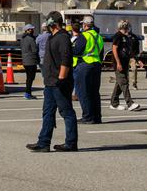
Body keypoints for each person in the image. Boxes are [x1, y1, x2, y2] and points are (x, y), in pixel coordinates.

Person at [26, 11, 78, 152]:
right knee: (47, 112)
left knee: (66, 112)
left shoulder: (63, 38)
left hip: (59, 83)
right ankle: (43, 143)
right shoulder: (52, 37)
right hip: (50, 83)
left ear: (53, 23)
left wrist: (61, 78)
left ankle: (71, 143)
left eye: (48, 22)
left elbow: (66, 59)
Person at [109, 20, 141, 111]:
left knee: (119, 83)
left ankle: (114, 103)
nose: (128, 29)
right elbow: (114, 49)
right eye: (127, 27)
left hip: (125, 63)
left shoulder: (126, 37)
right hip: (119, 64)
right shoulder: (118, 36)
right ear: (124, 27)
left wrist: (138, 60)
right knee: (123, 82)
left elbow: (129, 51)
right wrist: (118, 62)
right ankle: (130, 103)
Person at [78, 16, 103, 123]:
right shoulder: (98, 36)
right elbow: (101, 53)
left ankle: (87, 117)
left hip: (86, 64)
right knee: (95, 93)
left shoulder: (84, 36)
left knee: (84, 92)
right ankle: (97, 117)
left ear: (85, 25)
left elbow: (77, 50)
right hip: (97, 65)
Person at [20, 24, 39, 99]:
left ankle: (28, 92)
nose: (32, 30)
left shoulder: (22, 39)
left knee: (28, 77)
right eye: (30, 29)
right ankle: (28, 93)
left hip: (25, 60)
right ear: (27, 30)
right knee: (31, 78)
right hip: (31, 60)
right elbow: (34, 50)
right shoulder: (31, 39)